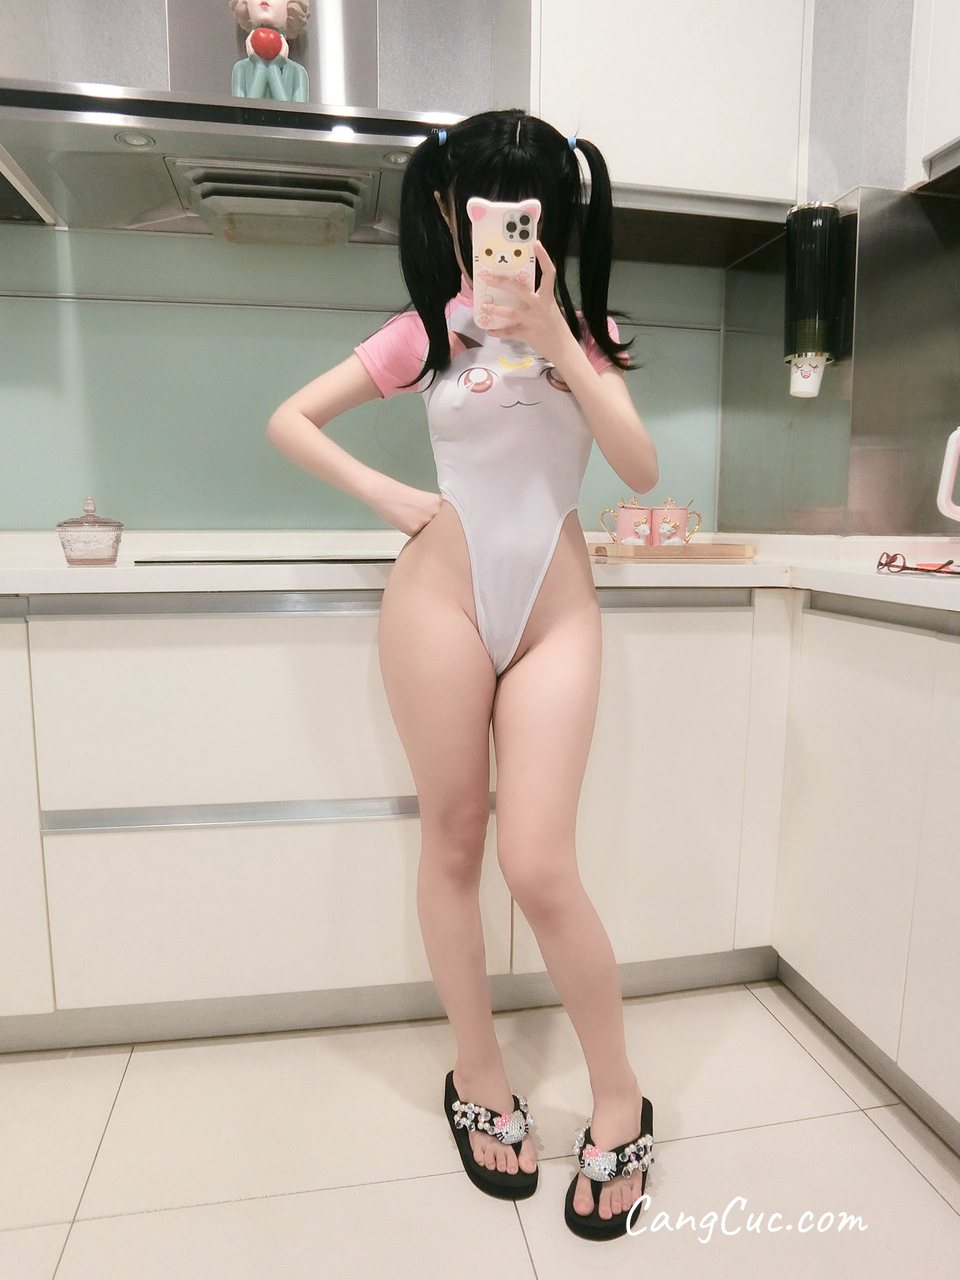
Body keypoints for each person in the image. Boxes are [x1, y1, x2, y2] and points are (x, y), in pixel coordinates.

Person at [266, 108, 659, 1241]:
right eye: (483, 208)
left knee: (537, 862)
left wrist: (554, 331)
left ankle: (620, 1096)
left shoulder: (589, 335)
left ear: (550, 220)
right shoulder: (425, 333)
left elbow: (637, 467)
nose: (499, 233)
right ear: (451, 210)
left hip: (554, 616)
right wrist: (388, 495)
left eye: (525, 213)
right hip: (437, 601)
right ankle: (478, 1073)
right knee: (452, 840)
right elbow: (291, 419)